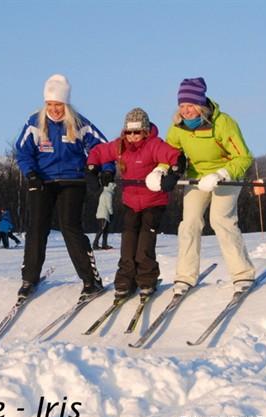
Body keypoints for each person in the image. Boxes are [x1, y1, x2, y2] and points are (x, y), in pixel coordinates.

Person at [15, 73, 114, 299]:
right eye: (50, 104)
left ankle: (91, 280)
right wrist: (30, 174)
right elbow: (22, 151)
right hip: (42, 181)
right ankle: (29, 278)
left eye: (59, 104)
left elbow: (103, 148)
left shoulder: (79, 123)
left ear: (66, 104)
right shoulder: (34, 123)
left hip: (73, 180)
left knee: (70, 226)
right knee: (37, 227)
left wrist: (107, 168)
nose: (55, 109)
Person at [165, 77, 255, 294]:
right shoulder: (178, 127)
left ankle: (242, 274)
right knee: (189, 223)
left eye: (190, 105)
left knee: (220, 219)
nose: (185, 111)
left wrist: (221, 173)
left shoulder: (223, 123)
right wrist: (161, 169)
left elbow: (243, 157)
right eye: (182, 106)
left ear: (200, 105)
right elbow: (169, 153)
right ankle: (185, 276)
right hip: (197, 178)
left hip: (226, 175)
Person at [87, 107, 183, 298]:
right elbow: (98, 152)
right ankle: (125, 279)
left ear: (145, 131)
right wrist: (92, 169)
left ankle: (147, 279)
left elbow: (175, 156)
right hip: (131, 202)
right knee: (128, 242)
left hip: (153, 202)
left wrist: (174, 172)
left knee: (145, 244)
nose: (132, 136)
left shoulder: (154, 145)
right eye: (128, 132)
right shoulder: (120, 146)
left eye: (137, 132)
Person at [93, 181, 116, 250]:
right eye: (114, 187)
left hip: (101, 214)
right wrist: (112, 213)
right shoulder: (108, 194)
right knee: (101, 229)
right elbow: (109, 205)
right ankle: (95, 244)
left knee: (105, 230)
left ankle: (104, 244)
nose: (114, 189)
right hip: (104, 215)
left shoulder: (103, 193)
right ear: (111, 187)